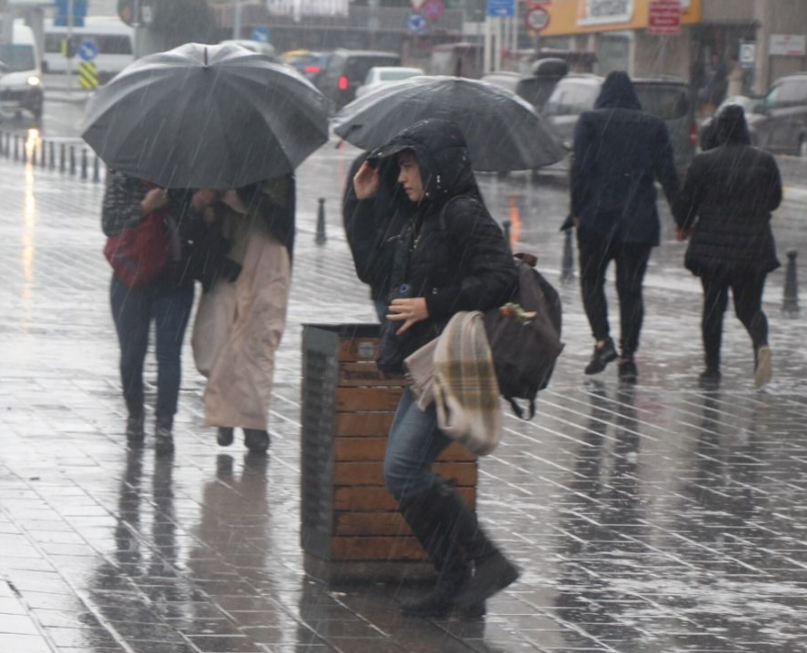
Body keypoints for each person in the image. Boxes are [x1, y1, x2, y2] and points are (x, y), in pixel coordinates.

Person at [353, 118, 520, 617]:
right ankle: (455, 581)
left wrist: (433, 304)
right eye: (401, 165)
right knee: (400, 473)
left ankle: (485, 562)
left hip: (450, 361)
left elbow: (501, 278)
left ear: (437, 166)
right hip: (423, 363)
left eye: (410, 165)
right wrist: (364, 204)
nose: (403, 176)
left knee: (402, 469)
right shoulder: (420, 215)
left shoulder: (461, 213)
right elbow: (373, 270)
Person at [570, 71, 680, 383]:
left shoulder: (590, 122)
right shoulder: (653, 126)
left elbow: (579, 170)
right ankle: (629, 357)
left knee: (592, 281)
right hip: (638, 221)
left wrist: (577, 209)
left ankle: (603, 342)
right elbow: (668, 174)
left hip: (596, 219)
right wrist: (682, 217)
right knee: (631, 291)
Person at [675, 105, 782, 388]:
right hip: (753, 247)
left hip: (713, 250)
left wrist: (684, 225)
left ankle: (712, 371)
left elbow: (688, 203)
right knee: (749, 308)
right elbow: (774, 201)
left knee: (713, 308)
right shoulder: (765, 161)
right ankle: (761, 344)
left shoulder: (704, 162)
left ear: (720, 129)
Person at [190, 175, 294, 454]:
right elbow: (194, 224)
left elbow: (281, 223)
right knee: (218, 339)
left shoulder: (277, 171)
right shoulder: (212, 164)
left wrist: (244, 193)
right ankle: (226, 413)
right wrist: (206, 206)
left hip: (266, 262)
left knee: (257, 345)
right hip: (226, 262)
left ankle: (253, 425)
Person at [102, 171, 197, 454]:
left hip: (174, 280)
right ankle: (135, 417)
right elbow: (109, 224)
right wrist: (145, 206)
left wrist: (197, 208)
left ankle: (164, 423)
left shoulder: (186, 177)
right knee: (132, 353)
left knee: (169, 355)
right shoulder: (125, 177)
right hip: (131, 277)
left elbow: (193, 231)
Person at [343, 153, 408, 322]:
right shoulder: (368, 166)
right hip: (388, 290)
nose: (403, 178)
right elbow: (365, 258)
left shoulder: (369, 162)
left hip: (400, 291)